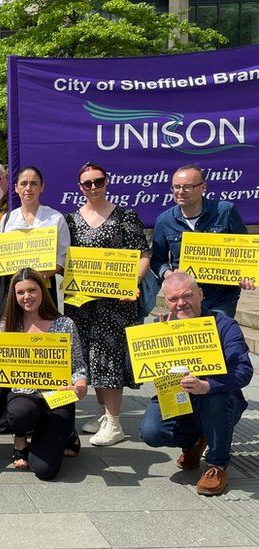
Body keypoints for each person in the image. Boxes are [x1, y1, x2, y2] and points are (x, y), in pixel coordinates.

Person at [139, 272, 253, 496]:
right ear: (166, 301)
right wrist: (146, 345)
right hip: (175, 398)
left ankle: (217, 465)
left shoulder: (224, 325)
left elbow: (244, 370)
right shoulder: (158, 326)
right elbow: (133, 369)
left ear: (201, 294)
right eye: (173, 299)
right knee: (151, 431)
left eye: (187, 296)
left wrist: (207, 385)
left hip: (218, 400)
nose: (181, 303)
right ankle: (194, 441)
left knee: (214, 398)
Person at [65, 162, 150, 447]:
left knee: (108, 358)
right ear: (80, 187)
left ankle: (114, 422)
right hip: (81, 304)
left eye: (97, 182)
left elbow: (142, 254)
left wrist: (134, 282)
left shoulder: (125, 216)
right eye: (87, 183)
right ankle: (103, 415)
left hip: (116, 303)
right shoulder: (70, 220)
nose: (93, 187)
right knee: (90, 358)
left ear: (107, 182)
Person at [0, 166, 70, 434]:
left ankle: (45, 405)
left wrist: (37, 274)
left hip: (41, 290)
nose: (28, 188)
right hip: (10, 292)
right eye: (23, 184)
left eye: (33, 183)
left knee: (42, 345)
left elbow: (63, 260)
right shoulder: (8, 219)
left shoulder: (54, 219)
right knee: (8, 346)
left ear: (42, 187)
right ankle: (4, 413)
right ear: (16, 188)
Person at [0, 268, 88, 481]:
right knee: (20, 413)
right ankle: (20, 438)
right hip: (24, 396)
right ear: (13, 296)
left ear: (42, 291)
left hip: (57, 398)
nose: (27, 297)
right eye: (20, 292)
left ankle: (65, 433)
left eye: (32, 290)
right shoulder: (7, 326)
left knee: (44, 470)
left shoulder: (64, 324)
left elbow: (78, 368)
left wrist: (80, 386)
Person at [151, 164, 254, 318]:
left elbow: (247, 253)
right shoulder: (164, 220)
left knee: (218, 334)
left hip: (221, 296)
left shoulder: (225, 211)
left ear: (203, 187)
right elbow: (158, 260)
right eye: (176, 187)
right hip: (184, 297)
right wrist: (169, 274)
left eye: (187, 187)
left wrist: (247, 275)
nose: (180, 192)